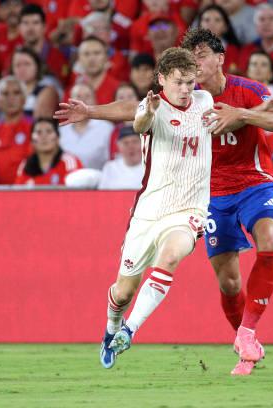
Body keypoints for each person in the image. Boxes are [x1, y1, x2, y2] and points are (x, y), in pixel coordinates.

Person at [54, 47, 215, 370]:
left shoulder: (204, 102)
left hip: (189, 209)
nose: (186, 89)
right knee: (123, 292)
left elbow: (216, 108)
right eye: (179, 83)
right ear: (161, 80)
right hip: (148, 212)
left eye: (190, 82)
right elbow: (139, 121)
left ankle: (129, 330)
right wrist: (102, 111)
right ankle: (112, 327)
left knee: (172, 256)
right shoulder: (151, 108)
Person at [181, 28, 273, 376]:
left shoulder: (248, 89)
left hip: (255, 183)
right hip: (212, 195)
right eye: (190, 56)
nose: (195, 62)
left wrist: (241, 115)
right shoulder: (186, 99)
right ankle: (245, 343)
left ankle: (247, 331)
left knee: (270, 240)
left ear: (220, 59)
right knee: (229, 282)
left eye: (201, 54)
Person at [0, 76, 33, 184]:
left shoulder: (34, 128)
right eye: (5, 94)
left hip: (26, 190)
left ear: (24, 99)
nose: (11, 98)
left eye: (16, 93)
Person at [59, 83, 113, 170]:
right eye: (78, 96)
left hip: (97, 181)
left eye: (87, 96)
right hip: (66, 181)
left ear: (95, 101)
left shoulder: (107, 128)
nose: (82, 101)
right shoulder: (61, 131)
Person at [14, 118, 82, 186]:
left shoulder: (69, 162)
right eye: (39, 132)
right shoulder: (25, 165)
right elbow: (18, 192)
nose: (44, 137)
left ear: (58, 139)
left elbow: (77, 192)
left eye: (49, 131)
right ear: (32, 141)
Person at [17, 3, 70, 86]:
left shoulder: (58, 57)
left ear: (44, 27)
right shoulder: (14, 57)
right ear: (19, 28)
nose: (30, 28)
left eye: (35, 23)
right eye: (25, 23)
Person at [10, 46, 60, 118]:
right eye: (17, 65)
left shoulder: (47, 91)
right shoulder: (9, 91)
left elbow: (40, 124)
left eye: (27, 64)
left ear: (37, 65)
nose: (22, 69)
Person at [71, 36, 121, 105]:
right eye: (86, 54)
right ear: (79, 58)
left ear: (106, 57)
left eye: (97, 53)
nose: (92, 59)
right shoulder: (72, 89)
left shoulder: (118, 89)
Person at [197, 4, 241, 74]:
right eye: (207, 20)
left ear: (225, 27)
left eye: (217, 20)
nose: (211, 24)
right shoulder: (191, 50)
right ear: (199, 25)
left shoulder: (236, 51)